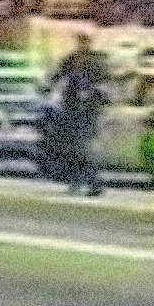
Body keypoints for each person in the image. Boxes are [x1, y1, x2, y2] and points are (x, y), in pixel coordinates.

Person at [51, 33, 110, 196]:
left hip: (88, 111)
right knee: (74, 149)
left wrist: (93, 97)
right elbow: (57, 76)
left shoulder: (96, 64)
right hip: (72, 109)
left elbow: (103, 87)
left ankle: (93, 183)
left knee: (83, 149)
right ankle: (78, 181)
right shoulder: (71, 60)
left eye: (83, 42)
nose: (81, 45)